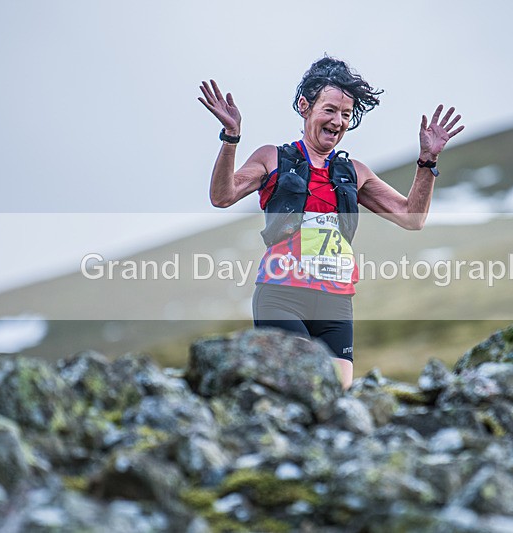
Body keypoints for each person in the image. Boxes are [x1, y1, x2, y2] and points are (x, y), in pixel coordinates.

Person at [198, 57, 464, 389]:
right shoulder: (273, 158)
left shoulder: (354, 172)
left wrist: (428, 160)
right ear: (304, 106)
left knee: (337, 398)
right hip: (282, 296)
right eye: (330, 110)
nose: (338, 121)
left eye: (346, 114)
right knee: (298, 391)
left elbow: (413, 218)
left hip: (336, 302)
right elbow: (222, 196)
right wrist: (231, 137)